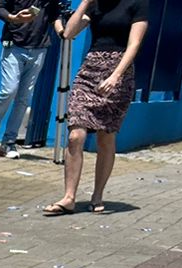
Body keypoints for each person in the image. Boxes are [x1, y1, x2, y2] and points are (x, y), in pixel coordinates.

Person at [44, 0, 152, 214]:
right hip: (90, 70)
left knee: (106, 136)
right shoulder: (95, 5)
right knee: (76, 135)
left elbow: (134, 44)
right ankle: (69, 197)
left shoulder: (137, 3)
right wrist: (84, 3)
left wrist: (116, 75)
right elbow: (68, 33)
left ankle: (97, 194)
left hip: (119, 72)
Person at [0, 1, 66, 158]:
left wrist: (62, 33)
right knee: (8, 91)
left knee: (24, 98)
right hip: (14, 47)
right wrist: (12, 17)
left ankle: (9, 142)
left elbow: (55, 16)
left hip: (39, 50)